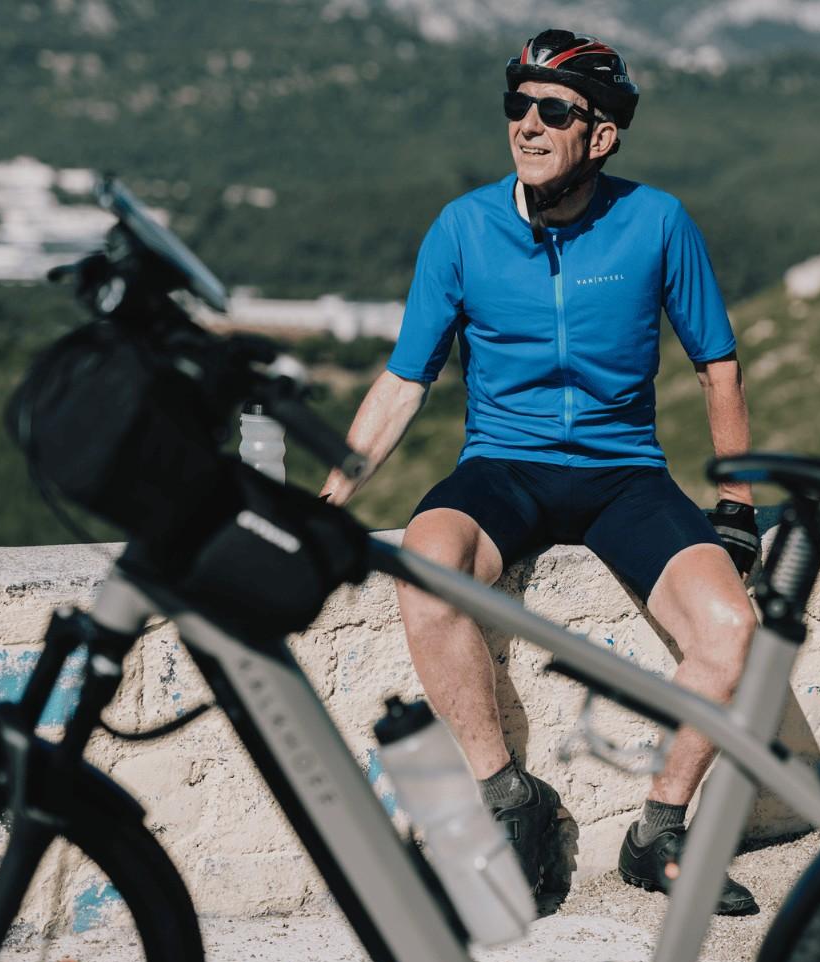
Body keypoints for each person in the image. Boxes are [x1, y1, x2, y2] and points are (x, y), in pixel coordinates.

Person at [320, 28, 763, 916]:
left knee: (732, 630)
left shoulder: (657, 223)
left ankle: (659, 831)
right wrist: (330, 500)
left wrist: (736, 503)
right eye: (517, 104)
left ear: (600, 136)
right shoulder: (463, 228)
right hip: (502, 468)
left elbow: (716, 365)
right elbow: (405, 381)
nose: (527, 123)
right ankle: (507, 797)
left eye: (553, 110)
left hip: (624, 476)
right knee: (425, 565)